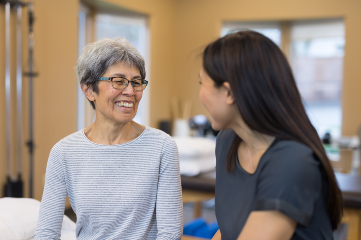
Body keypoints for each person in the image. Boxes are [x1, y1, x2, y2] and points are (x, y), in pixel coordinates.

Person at [198, 31, 343, 240]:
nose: (200, 94)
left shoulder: (292, 161)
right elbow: (228, 231)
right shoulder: (226, 142)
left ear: (229, 93)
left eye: (202, 83)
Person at [35, 38, 183, 239]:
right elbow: (46, 233)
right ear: (88, 89)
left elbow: (170, 233)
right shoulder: (63, 152)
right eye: (118, 81)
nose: (130, 91)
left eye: (136, 82)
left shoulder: (162, 147)